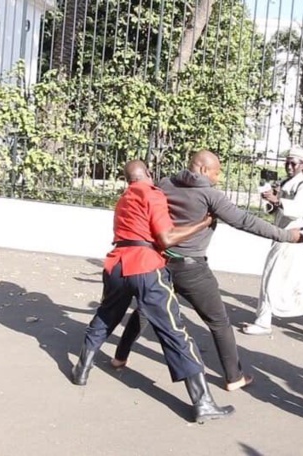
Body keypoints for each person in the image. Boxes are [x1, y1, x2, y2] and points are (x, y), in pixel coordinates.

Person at [111, 150, 303, 391]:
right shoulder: (210, 195)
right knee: (219, 322)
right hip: (192, 269)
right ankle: (234, 377)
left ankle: (120, 357)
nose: (218, 177)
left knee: (145, 309)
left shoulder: (165, 184)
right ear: (203, 169)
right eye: (216, 172)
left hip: (159, 262)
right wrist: (288, 236)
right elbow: (246, 221)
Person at [70, 160, 235, 423]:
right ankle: (203, 403)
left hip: (116, 266)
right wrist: (203, 224)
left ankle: (81, 369)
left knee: (105, 316)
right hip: (145, 267)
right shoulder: (152, 194)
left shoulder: (123, 198)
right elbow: (166, 239)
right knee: (174, 332)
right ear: (148, 173)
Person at [241, 146, 303, 336]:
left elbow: (298, 210)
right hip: (282, 235)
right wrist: (270, 199)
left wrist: (277, 200)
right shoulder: (286, 183)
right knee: (295, 278)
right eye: (287, 162)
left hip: (292, 237)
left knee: (271, 277)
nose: (289, 166)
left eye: (293, 163)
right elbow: (274, 211)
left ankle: (263, 321)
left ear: (302, 165)